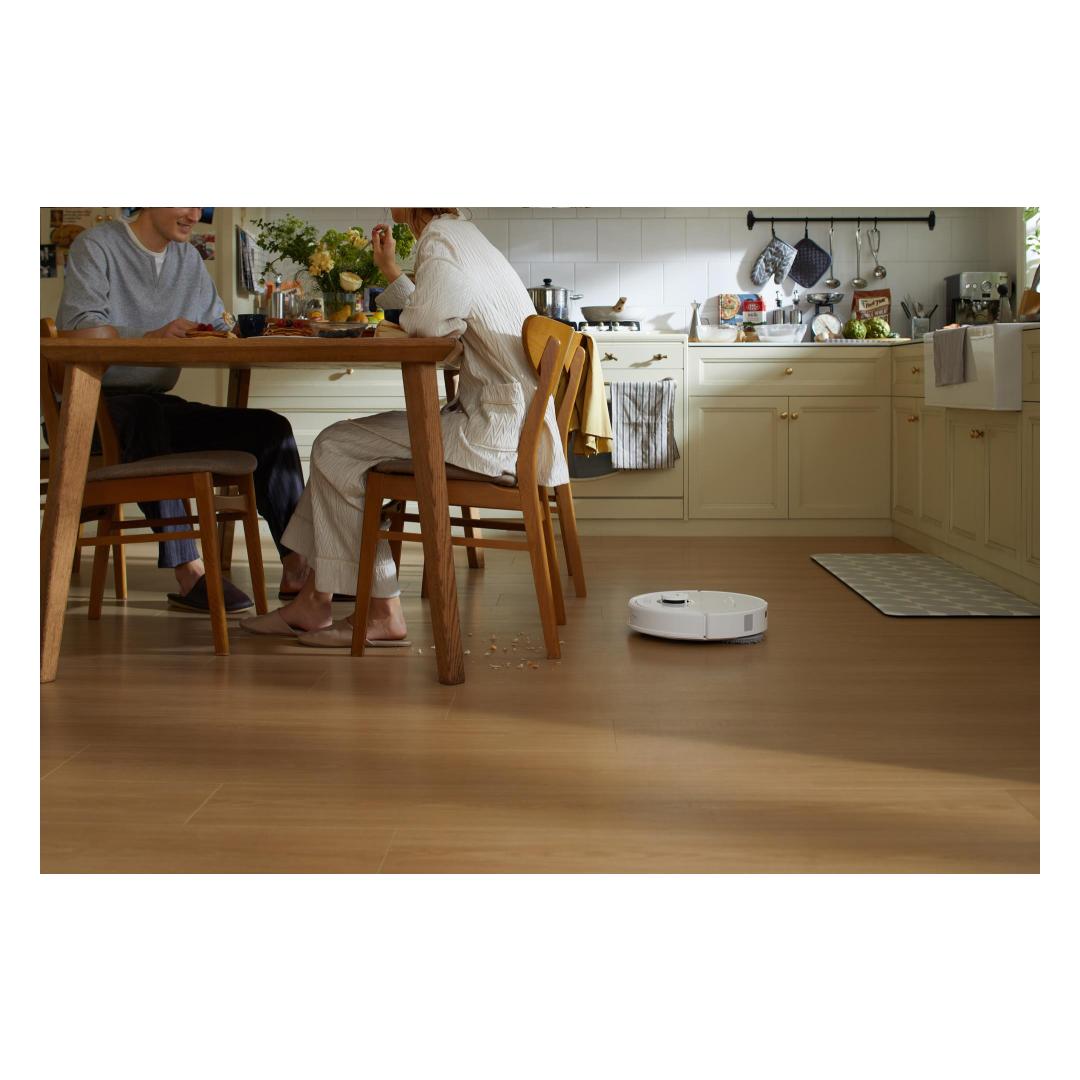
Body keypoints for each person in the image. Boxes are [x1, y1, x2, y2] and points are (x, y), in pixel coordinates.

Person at [240, 207, 568, 647]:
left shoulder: (439, 238)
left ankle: (380, 612)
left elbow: (428, 325)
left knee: (334, 446)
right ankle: (313, 600)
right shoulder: (466, 236)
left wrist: (408, 318)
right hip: (509, 427)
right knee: (342, 447)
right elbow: (443, 313)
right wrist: (392, 272)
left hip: (489, 433)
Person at [56, 208, 309, 611]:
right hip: (91, 408)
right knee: (144, 414)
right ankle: (190, 571)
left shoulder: (188, 258)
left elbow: (219, 325)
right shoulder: (97, 245)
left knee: (269, 429)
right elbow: (79, 332)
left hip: (155, 405)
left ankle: (299, 567)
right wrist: (149, 337)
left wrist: (256, 331)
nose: (195, 213)